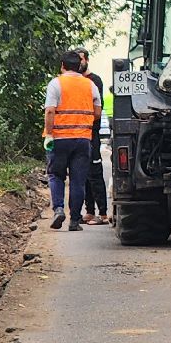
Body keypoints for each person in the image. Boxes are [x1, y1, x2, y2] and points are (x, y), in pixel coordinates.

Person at [43, 50, 98, 230]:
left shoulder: (56, 84)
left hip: (59, 138)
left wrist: (49, 134)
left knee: (56, 175)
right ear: (79, 65)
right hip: (82, 139)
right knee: (78, 180)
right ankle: (75, 221)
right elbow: (97, 112)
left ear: (62, 66)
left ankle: (58, 209)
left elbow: (50, 110)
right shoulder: (90, 85)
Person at [74, 48, 110, 225]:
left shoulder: (94, 80)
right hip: (79, 133)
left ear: (86, 60)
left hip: (91, 133)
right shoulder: (76, 81)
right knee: (84, 173)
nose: (78, 63)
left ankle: (103, 213)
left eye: (80, 59)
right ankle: (89, 211)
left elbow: (97, 107)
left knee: (95, 172)